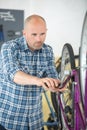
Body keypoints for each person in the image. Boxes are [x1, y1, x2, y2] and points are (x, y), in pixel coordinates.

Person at [0, 14, 64, 130]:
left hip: (35, 121)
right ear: (24, 33)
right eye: (34, 34)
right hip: (9, 121)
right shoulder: (9, 48)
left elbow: (51, 74)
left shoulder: (47, 51)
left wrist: (55, 85)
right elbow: (12, 74)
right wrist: (37, 81)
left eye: (42, 34)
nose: (39, 39)